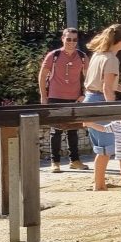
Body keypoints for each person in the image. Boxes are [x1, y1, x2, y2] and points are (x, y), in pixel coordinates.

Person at [83, 24, 121, 191]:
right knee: (106, 149)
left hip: (90, 100)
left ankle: (99, 183)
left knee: (101, 148)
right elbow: (107, 88)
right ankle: (99, 185)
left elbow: (104, 83)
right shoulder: (112, 59)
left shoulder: (98, 55)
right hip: (100, 102)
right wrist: (113, 110)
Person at [38, 27, 89, 173]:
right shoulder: (53, 55)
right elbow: (42, 76)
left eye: (74, 40)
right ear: (63, 39)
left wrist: (84, 94)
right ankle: (55, 162)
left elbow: (89, 78)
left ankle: (75, 161)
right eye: (68, 39)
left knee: (73, 130)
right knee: (56, 131)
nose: (71, 42)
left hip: (75, 98)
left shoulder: (82, 56)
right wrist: (43, 96)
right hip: (55, 97)